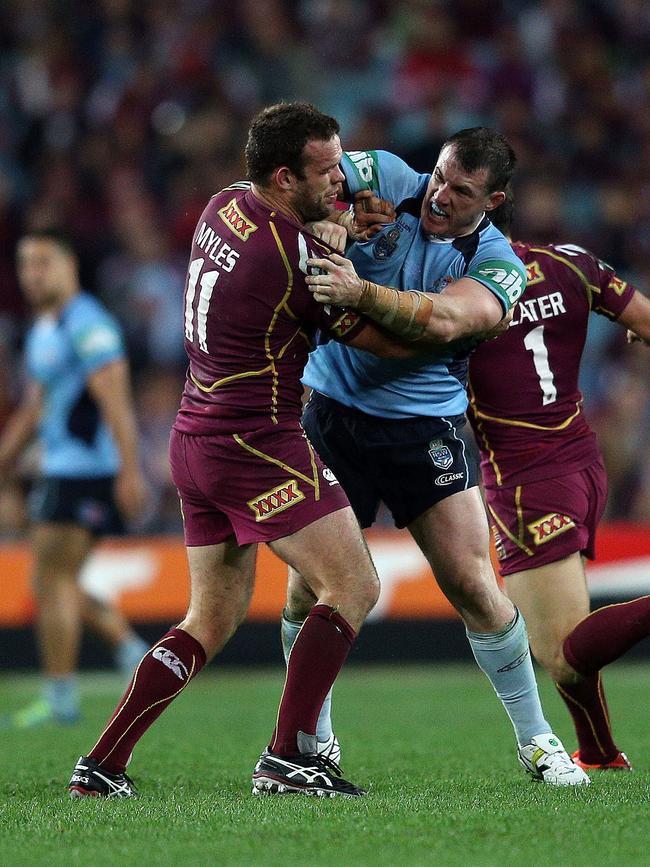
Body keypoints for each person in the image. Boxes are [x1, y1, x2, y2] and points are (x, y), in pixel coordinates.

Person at [66, 102, 444, 800]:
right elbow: (378, 337)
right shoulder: (293, 259)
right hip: (254, 439)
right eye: (326, 171)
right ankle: (289, 756)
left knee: (208, 617)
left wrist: (326, 234)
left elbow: (294, 244)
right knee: (354, 584)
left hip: (195, 436)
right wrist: (371, 273)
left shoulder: (224, 205)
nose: (343, 181)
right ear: (282, 175)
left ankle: (100, 763)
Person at [283, 129, 589, 786]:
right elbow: (315, 183)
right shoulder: (392, 177)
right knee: (309, 588)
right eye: (443, 177)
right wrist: (330, 217)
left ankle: (537, 740)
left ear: (495, 199)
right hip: (333, 412)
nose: (442, 196)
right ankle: (312, 738)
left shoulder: (499, 265)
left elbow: (446, 323)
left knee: (475, 585)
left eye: (464, 191)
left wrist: (359, 291)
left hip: (425, 426)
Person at [465, 192, 650, 771]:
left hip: (525, 479)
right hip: (580, 458)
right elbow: (643, 318)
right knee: (561, 632)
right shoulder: (569, 261)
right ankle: (597, 749)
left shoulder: (461, 299)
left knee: (561, 651)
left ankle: (597, 749)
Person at [0, 228, 149, 729]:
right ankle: (131, 651)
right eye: (24, 264)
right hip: (58, 468)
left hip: (86, 471)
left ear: (69, 267)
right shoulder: (46, 327)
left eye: (43, 262)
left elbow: (115, 401)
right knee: (53, 580)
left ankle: (62, 696)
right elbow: (36, 406)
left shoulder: (88, 325)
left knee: (52, 580)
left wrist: (131, 470)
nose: (32, 274)